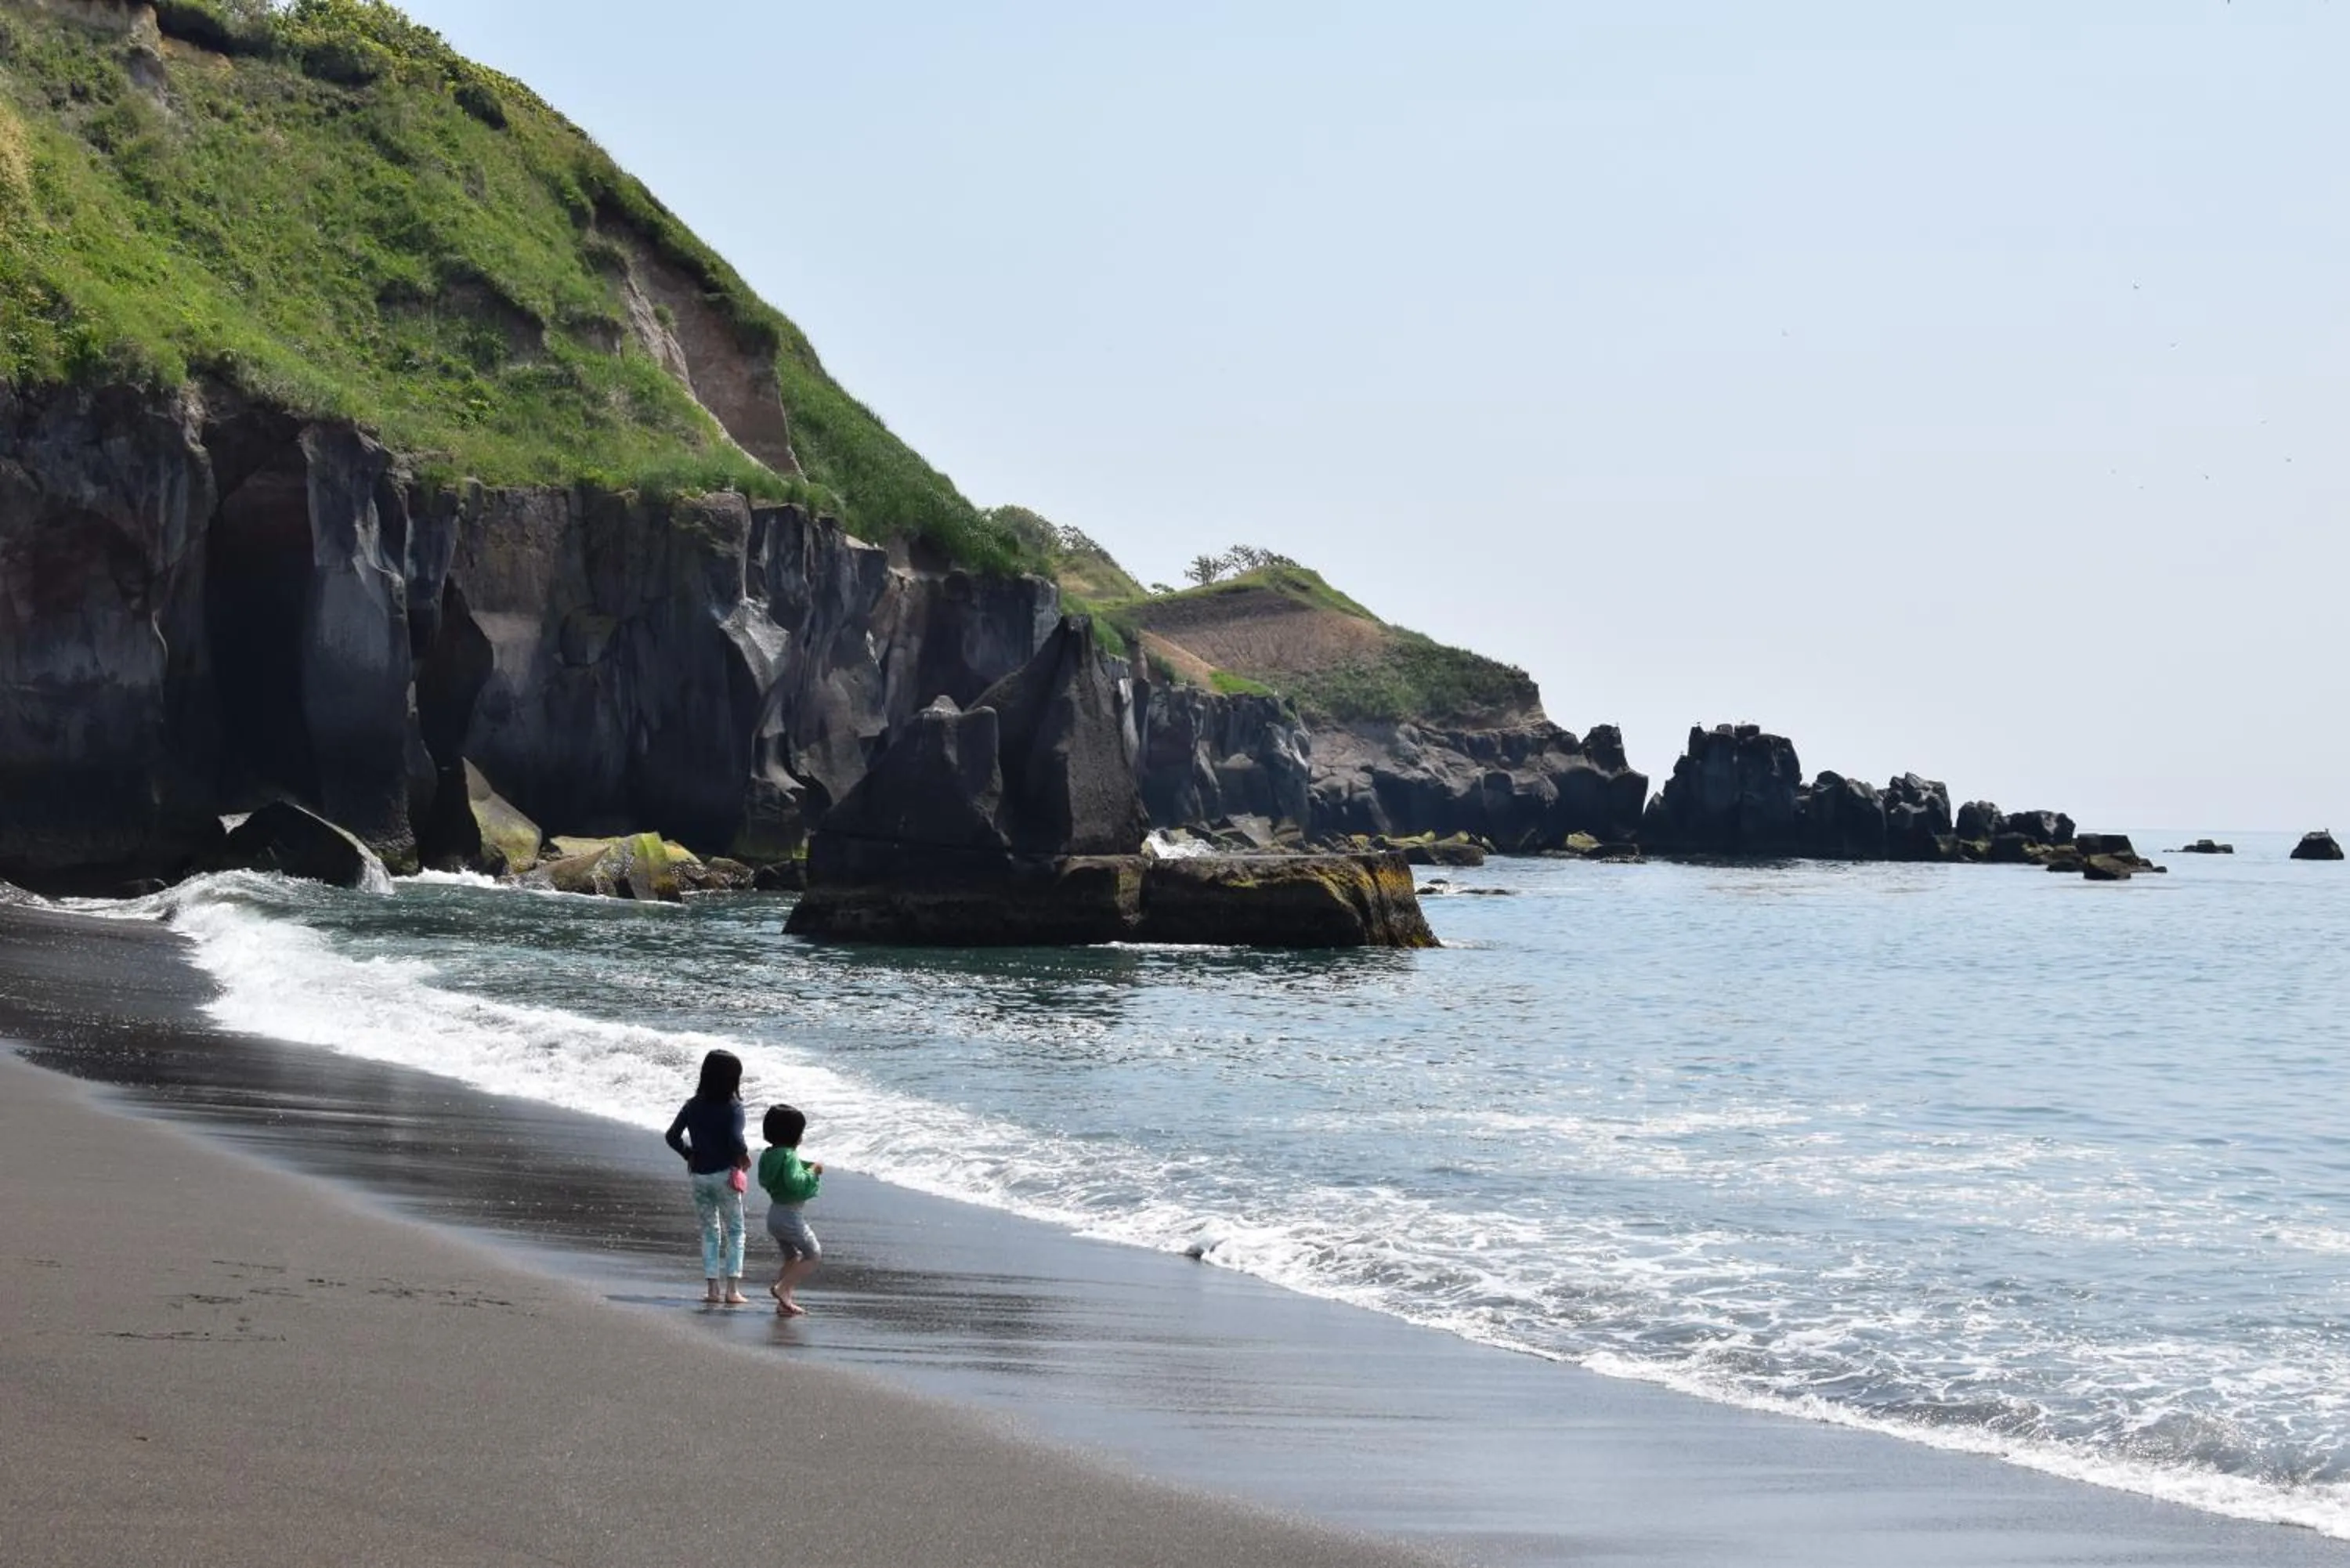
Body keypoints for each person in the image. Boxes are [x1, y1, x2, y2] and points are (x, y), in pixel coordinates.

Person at [664, 1049, 750, 1306]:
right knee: (735, 1230)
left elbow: (672, 1136)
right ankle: (732, 1290)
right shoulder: (734, 1108)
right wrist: (742, 1154)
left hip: (700, 1176)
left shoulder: (692, 1105)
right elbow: (735, 1139)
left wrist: (688, 1153)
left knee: (710, 1231)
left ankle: (712, 1289)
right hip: (725, 1177)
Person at [756, 1103, 823, 1317]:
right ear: (795, 1135)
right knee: (813, 1254)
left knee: (792, 1258)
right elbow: (795, 1182)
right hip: (789, 1217)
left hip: (774, 1216)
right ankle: (783, 1289)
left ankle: (784, 1302)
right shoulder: (789, 1156)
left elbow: (767, 1179)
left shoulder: (769, 1155)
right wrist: (813, 1172)